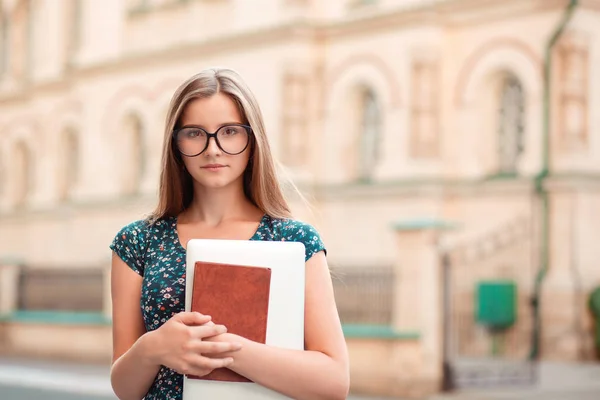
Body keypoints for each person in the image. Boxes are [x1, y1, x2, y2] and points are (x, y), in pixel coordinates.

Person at [109, 68, 349, 400]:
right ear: (175, 144)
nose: (213, 149)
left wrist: (223, 350)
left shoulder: (296, 241)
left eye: (230, 131)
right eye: (194, 133)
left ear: (253, 140)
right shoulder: (137, 242)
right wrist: (153, 348)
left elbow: (334, 382)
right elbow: (124, 389)